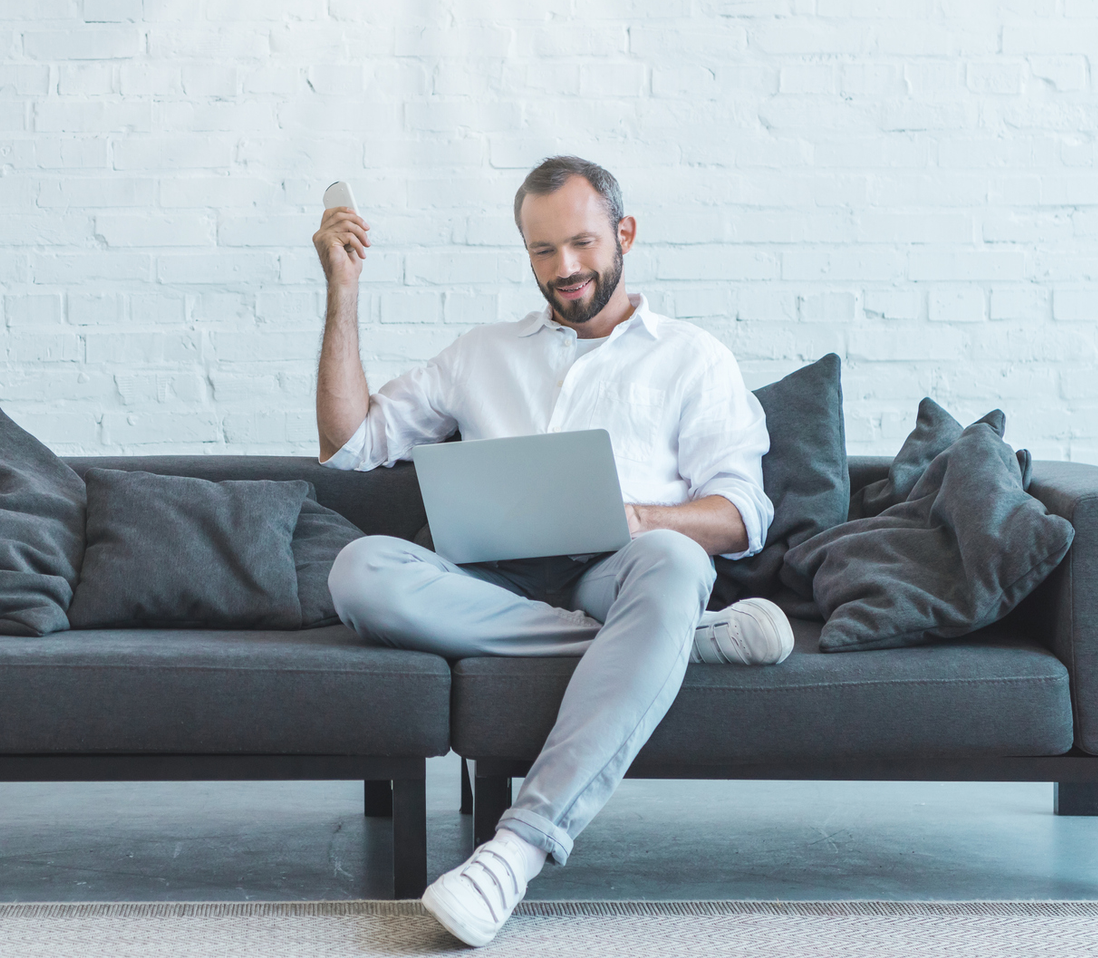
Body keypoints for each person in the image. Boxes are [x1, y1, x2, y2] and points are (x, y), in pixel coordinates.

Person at [313, 155, 793, 948]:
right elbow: (347, 441)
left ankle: (514, 851)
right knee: (358, 569)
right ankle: (670, 643)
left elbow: (742, 514)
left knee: (674, 562)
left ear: (623, 234)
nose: (564, 268)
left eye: (581, 243)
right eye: (543, 251)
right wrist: (343, 288)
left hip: (626, 568)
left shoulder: (692, 356)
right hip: (494, 574)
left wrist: (639, 515)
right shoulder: (481, 351)